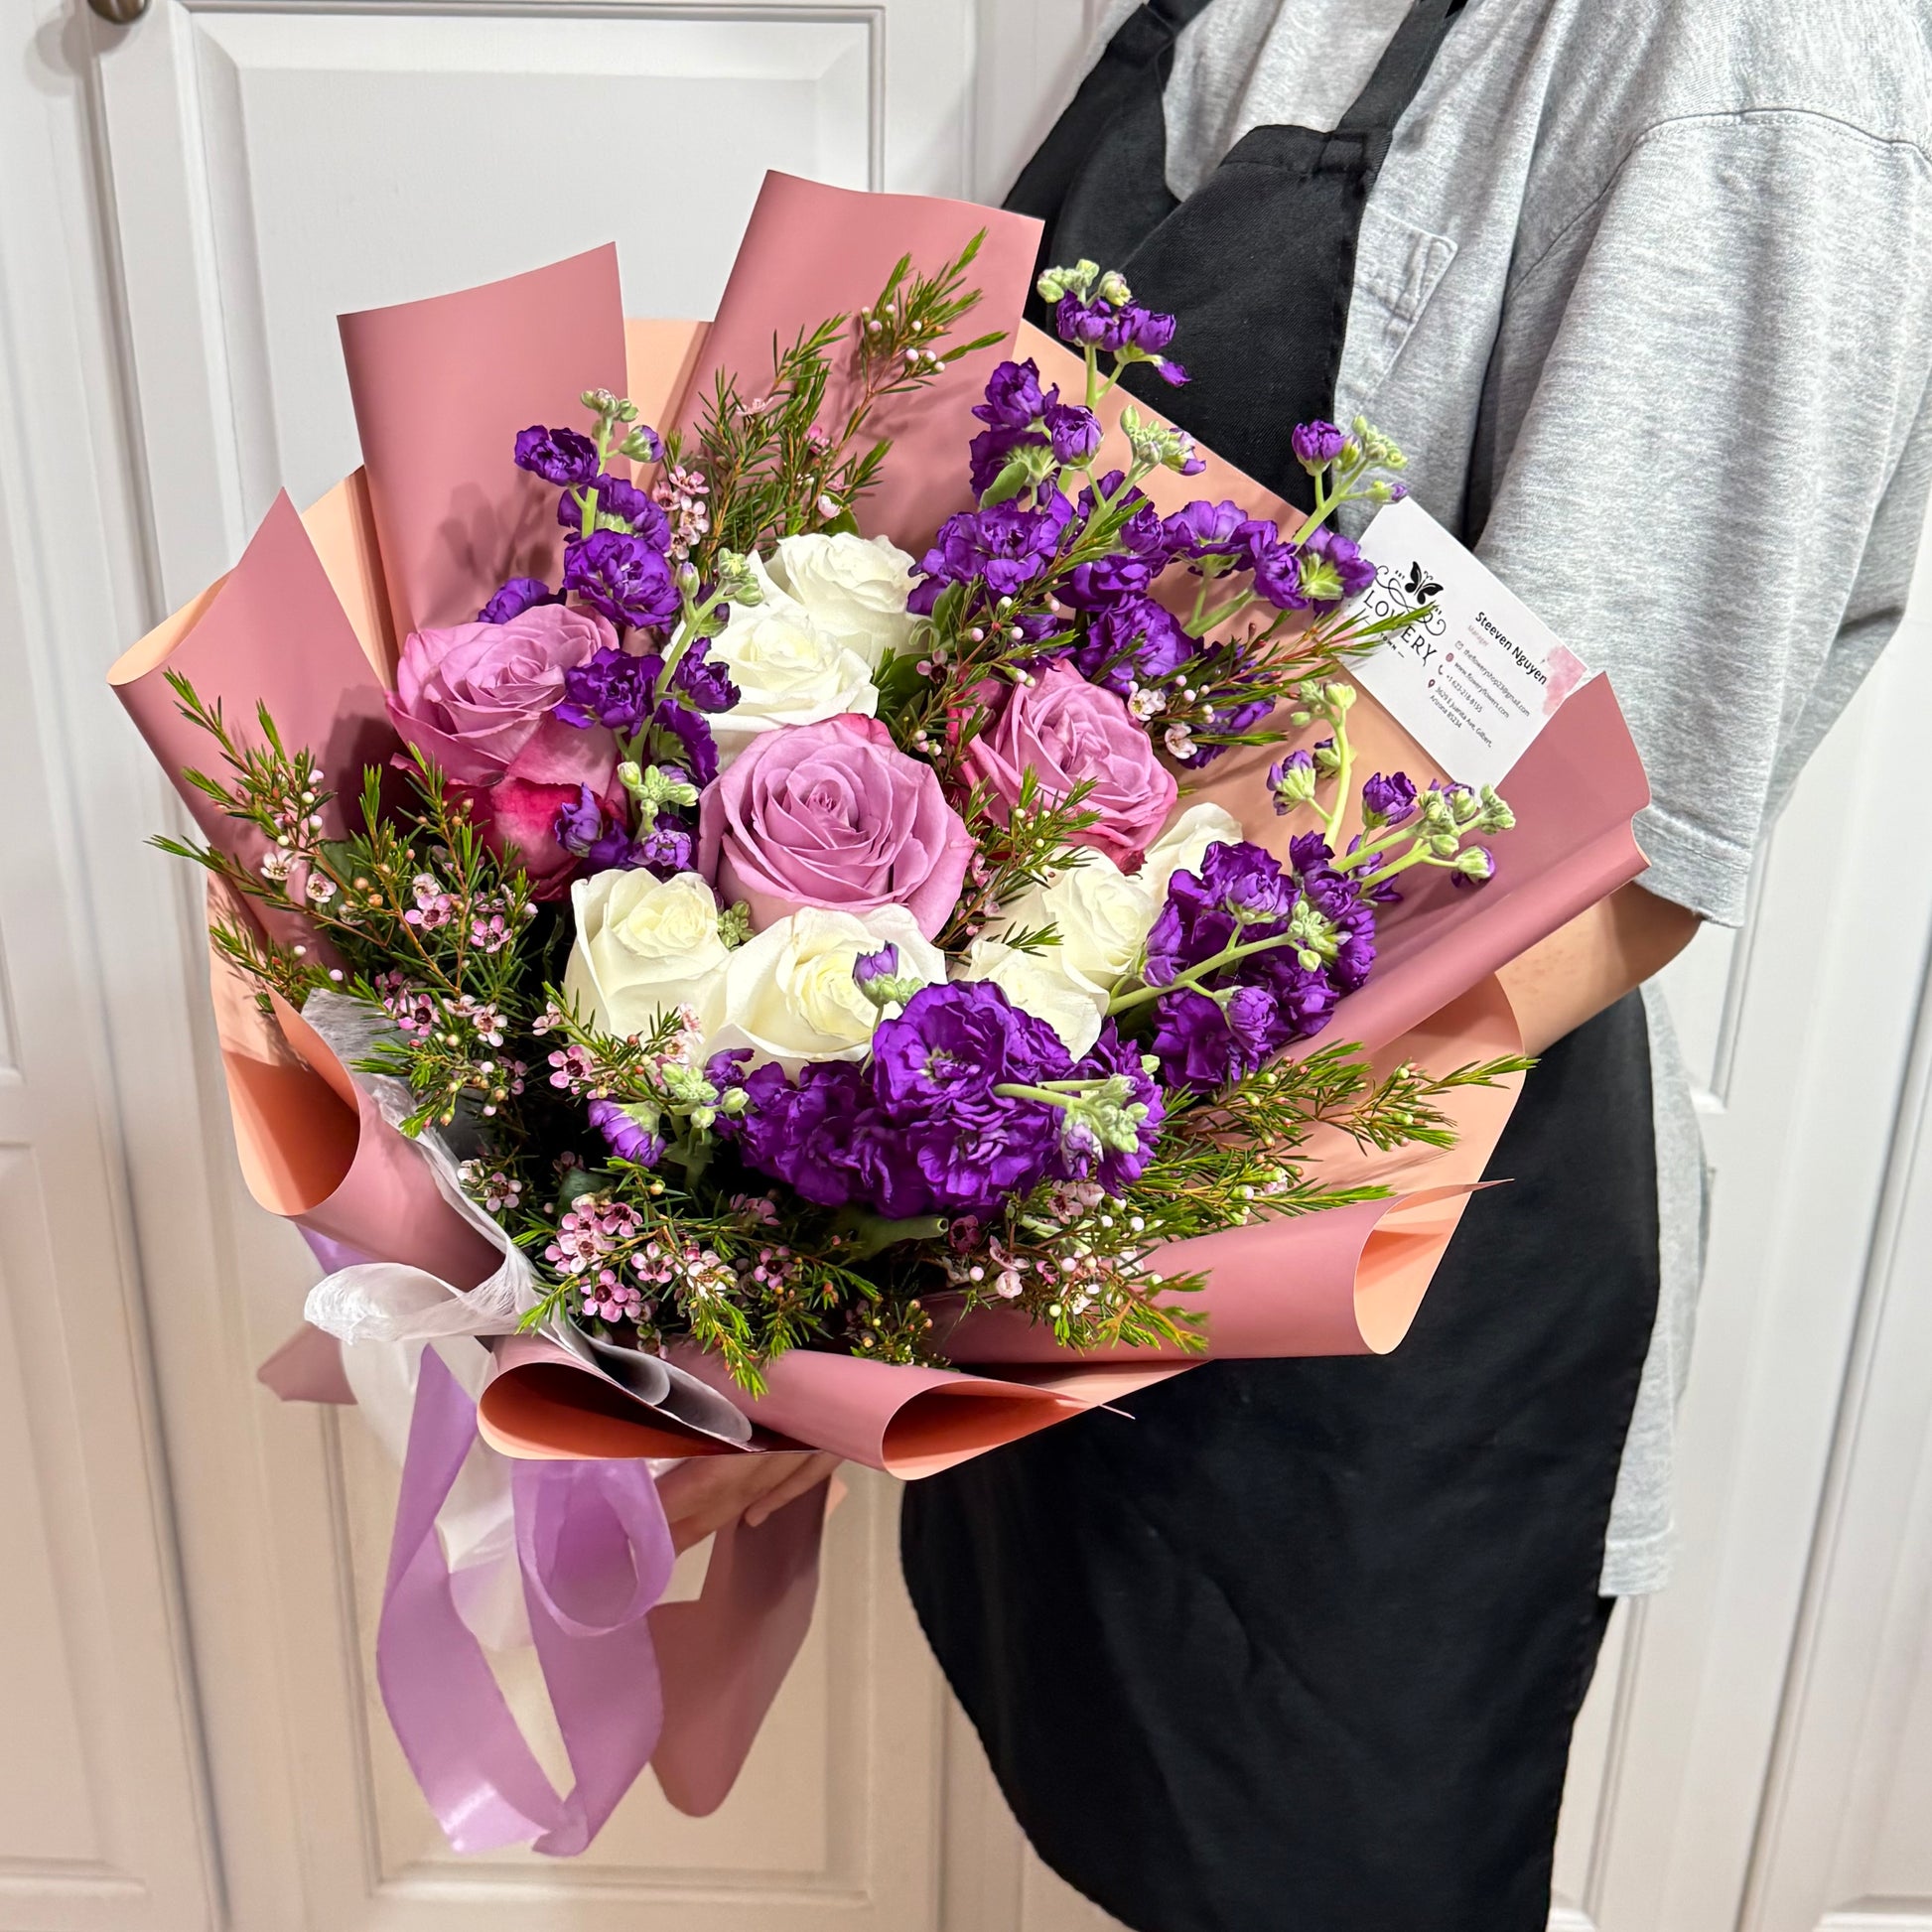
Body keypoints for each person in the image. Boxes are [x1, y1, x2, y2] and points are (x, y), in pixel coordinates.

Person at [882, 2, 1932, 1929]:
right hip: (1043, 1166)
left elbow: (1603, 861)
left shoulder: (1753, 58)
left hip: (1354, 1277)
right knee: (1088, 1794)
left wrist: (959, 1229)